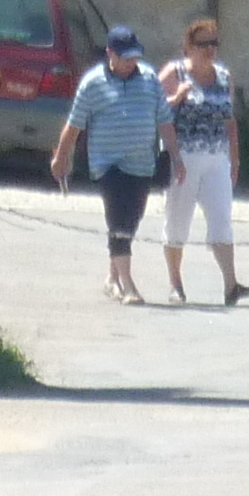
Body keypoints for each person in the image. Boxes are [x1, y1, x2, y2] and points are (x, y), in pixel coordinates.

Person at [53, 22, 168, 304]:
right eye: (125, 57)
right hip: (108, 164)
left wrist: (174, 155)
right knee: (119, 219)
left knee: (131, 219)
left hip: (142, 164)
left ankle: (112, 277)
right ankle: (128, 285)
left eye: (134, 56)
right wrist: (61, 156)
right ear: (110, 54)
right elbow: (74, 124)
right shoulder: (93, 83)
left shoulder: (150, 78)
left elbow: (165, 119)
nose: (131, 62)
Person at [157, 17, 249, 305]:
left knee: (222, 219)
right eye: (203, 44)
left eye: (214, 43)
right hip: (183, 157)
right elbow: (155, 112)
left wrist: (234, 161)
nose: (210, 50)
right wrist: (176, 98)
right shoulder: (174, 73)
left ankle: (231, 284)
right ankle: (176, 283)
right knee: (178, 221)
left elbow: (230, 121)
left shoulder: (224, 76)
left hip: (216, 158)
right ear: (188, 46)